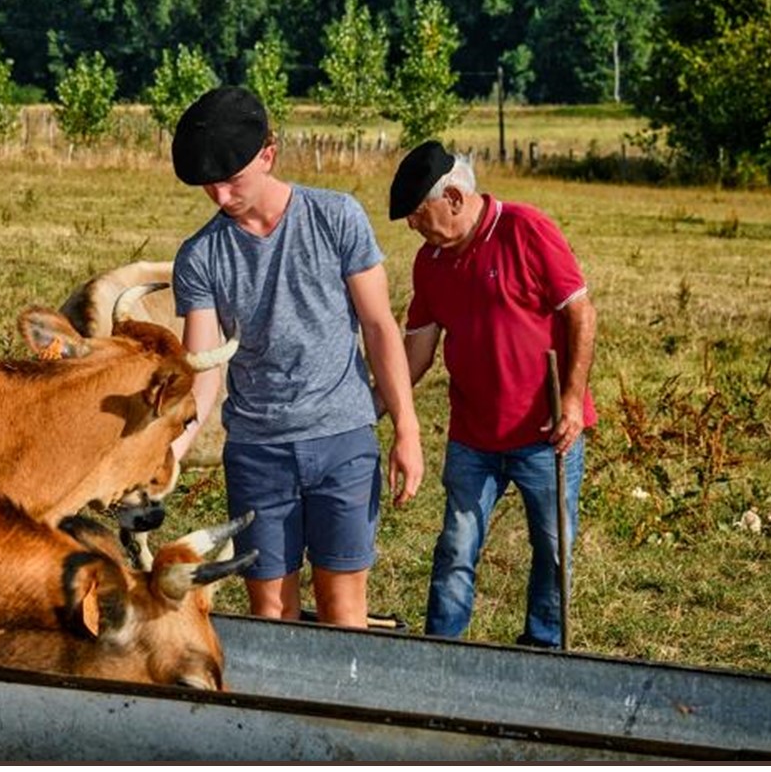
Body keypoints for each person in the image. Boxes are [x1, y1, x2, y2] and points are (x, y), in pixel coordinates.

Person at [164, 86, 425, 630]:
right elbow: (205, 366)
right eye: (207, 186)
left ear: (268, 154)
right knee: (271, 612)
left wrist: (407, 428)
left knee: (343, 608)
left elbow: (378, 328)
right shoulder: (200, 256)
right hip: (258, 452)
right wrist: (172, 448)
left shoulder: (337, 218)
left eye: (231, 180)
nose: (220, 196)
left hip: (343, 441)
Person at [388, 142, 596, 648]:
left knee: (552, 548)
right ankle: (443, 646)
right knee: (456, 545)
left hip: (544, 434)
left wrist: (571, 400)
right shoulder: (431, 261)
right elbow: (418, 347)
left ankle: (544, 646)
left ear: (454, 198)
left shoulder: (526, 229)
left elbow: (580, 313)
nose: (414, 227)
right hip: (473, 436)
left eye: (419, 214)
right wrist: (382, 401)